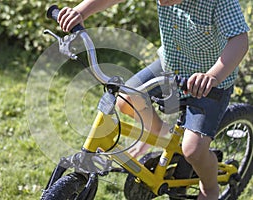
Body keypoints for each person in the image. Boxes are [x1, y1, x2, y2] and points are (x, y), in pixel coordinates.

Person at [57, 0, 249, 199]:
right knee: (126, 99)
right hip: (171, 68)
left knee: (193, 150)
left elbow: (239, 39)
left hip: (209, 83)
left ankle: (209, 188)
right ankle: (162, 136)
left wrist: (213, 76)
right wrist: (80, 12)